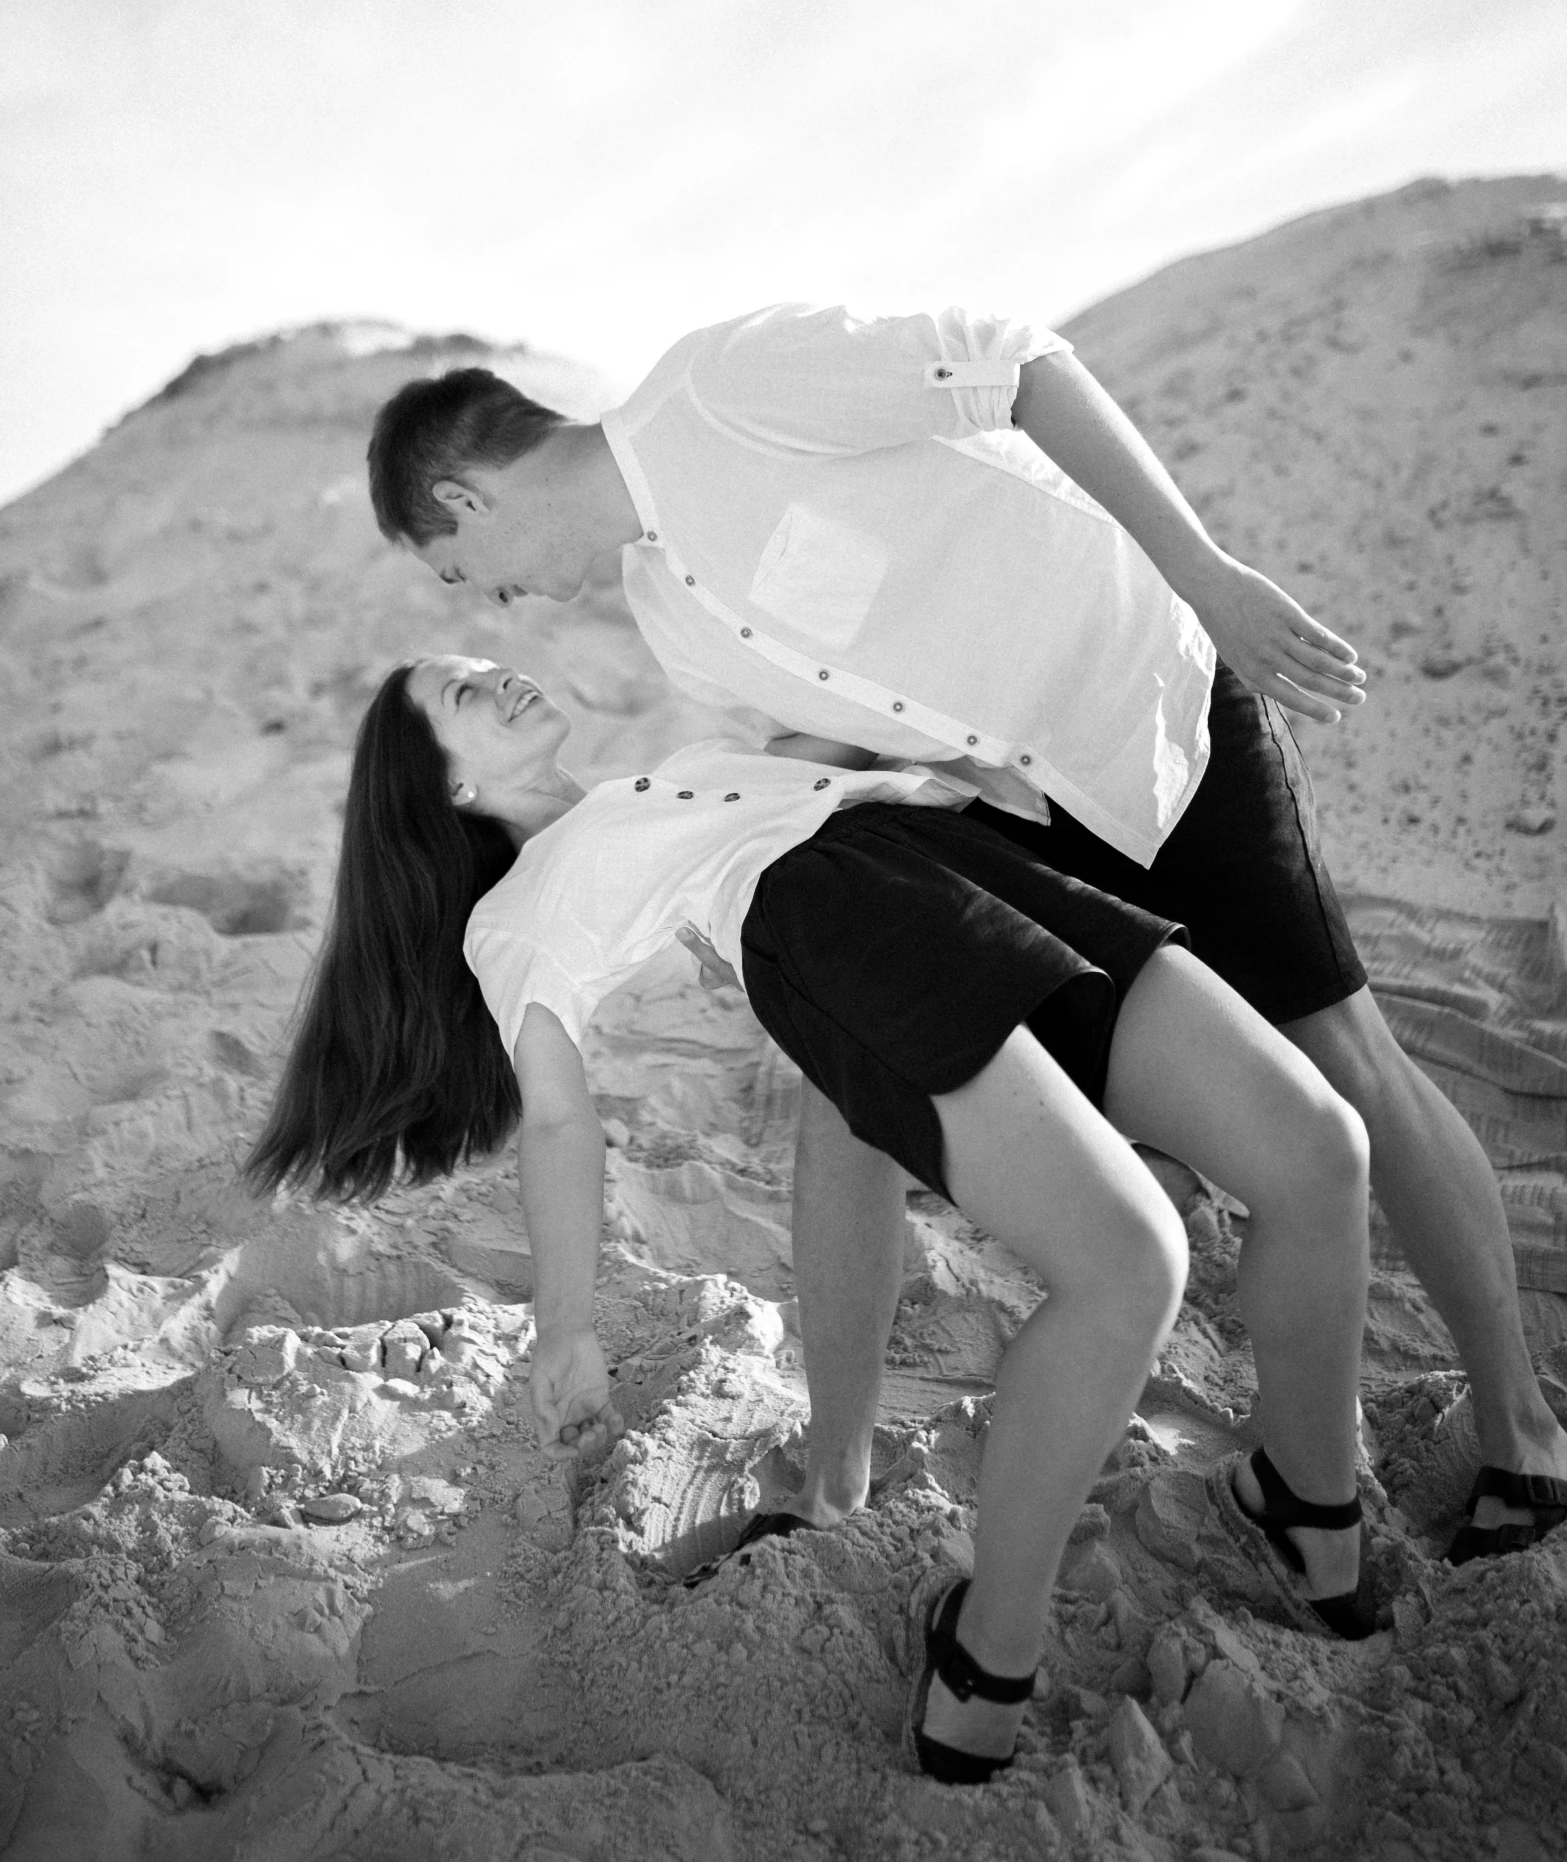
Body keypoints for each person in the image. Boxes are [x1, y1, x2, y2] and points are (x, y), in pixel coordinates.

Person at [365, 308, 1567, 1562]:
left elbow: (1020, 364)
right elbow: (832, 744)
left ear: (465, 497)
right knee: (844, 1100)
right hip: (1015, 810)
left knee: (1342, 1054)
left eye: (458, 571)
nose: (488, 602)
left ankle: (1522, 1430)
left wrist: (1208, 575)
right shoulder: (660, 607)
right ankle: (836, 1475)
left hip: (1146, 714)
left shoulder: (722, 387)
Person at [249, 654, 1377, 1783]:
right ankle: (986, 1655)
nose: (503, 680)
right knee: (1132, 1264)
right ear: (448, 791)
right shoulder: (521, 913)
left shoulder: (663, 781)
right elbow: (558, 1121)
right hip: (849, 923)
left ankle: (1304, 1502)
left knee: (1321, 1151)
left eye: (492, 665)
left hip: (968, 870)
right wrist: (567, 1324)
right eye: (464, 696)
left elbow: (845, 740)